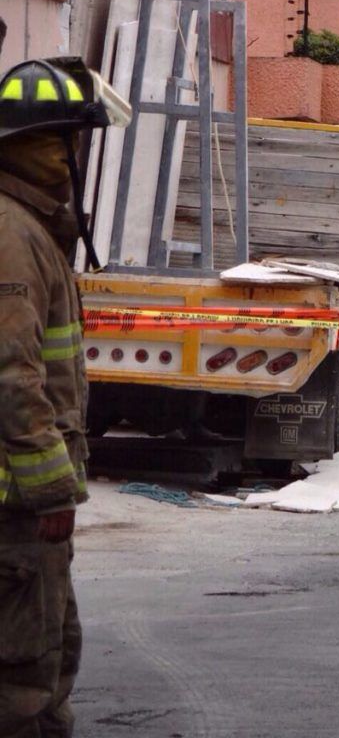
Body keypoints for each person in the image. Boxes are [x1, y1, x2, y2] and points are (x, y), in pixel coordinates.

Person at [0, 58, 130, 737]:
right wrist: (51, 490)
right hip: (17, 511)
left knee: (51, 660)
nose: (76, 155)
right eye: (71, 141)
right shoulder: (12, 238)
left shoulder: (32, 231)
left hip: (26, 511)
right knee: (24, 682)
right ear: (44, 147)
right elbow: (11, 375)